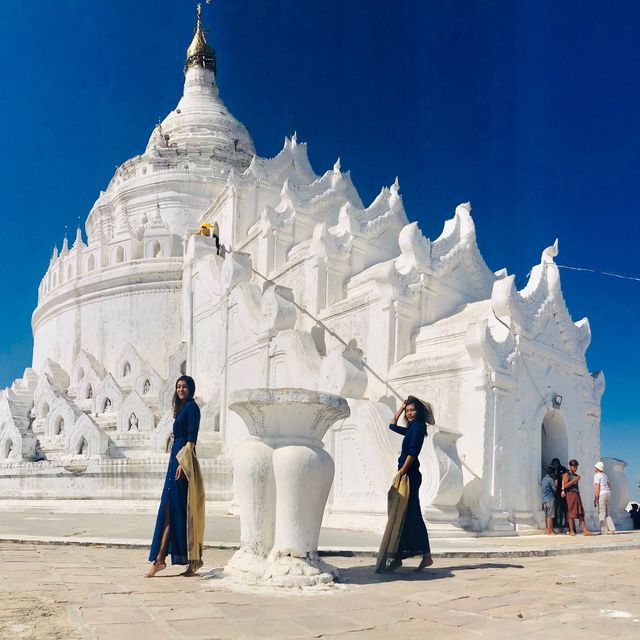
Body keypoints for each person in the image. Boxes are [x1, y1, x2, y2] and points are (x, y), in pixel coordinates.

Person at [145, 375, 204, 577]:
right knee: (169, 509)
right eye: (178, 386)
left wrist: (183, 463)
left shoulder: (192, 408)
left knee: (180, 510)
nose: (181, 389)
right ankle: (160, 559)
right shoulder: (180, 409)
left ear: (191, 389)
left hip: (183, 461)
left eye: (184, 386)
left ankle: (191, 560)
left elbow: (191, 438)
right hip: (175, 461)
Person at [385, 396, 435, 571]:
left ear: (419, 412)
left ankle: (425, 556)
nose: (409, 413)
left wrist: (402, 472)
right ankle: (399, 557)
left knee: (412, 514)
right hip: (408, 474)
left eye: (412, 410)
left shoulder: (418, 427)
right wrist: (401, 407)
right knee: (404, 514)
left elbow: (412, 453)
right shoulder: (412, 427)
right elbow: (392, 425)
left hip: (410, 475)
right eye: (408, 411)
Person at [561, 459, 593, 537]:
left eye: (576, 467)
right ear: (570, 466)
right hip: (570, 494)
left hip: (576, 494)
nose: (575, 468)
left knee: (580, 512)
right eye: (574, 467)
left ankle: (584, 530)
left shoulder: (576, 475)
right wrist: (574, 480)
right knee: (572, 512)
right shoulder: (567, 474)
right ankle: (571, 530)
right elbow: (565, 486)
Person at [593, 461, 616, 534]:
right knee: (608, 513)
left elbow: (597, 487)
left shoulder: (596, 475)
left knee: (602, 512)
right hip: (608, 493)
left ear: (597, 468)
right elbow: (609, 486)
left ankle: (603, 531)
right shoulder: (605, 476)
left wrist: (596, 497)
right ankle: (612, 529)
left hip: (602, 494)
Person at [551, 458, 568, 531]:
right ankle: (562, 522)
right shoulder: (563, 469)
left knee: (560, 508)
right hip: (562, 491)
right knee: (562, 508)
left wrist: (561, 490)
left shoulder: (560, 470)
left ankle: (560, 522)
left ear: (556, 463)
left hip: (560, 491)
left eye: (554, 464)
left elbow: (558, 480)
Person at [541, 466, 556, 535]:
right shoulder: (550, 479)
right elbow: (554, 489)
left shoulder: (543, 479)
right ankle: (549, 530)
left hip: (544, 499)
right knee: (550, 516)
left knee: (547, 515)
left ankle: (550, 530)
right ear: (552, 473)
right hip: (550, 499)